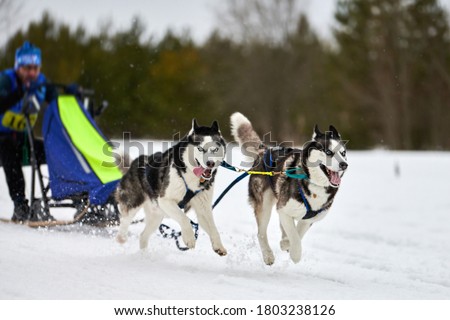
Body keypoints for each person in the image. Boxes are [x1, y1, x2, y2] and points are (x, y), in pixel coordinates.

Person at [0, 41, 57, 222]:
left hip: (25, 143)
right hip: (2, 143)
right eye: (27, 68)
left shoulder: (41, 83)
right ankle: (20, 205)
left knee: (55, 152)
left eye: (35, 68)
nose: (32, 73)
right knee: (8, 148)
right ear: (18, 67)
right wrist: (20, 93)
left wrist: (73, 99)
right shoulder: (6, 80)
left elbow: (58, 103)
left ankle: (80, 197)